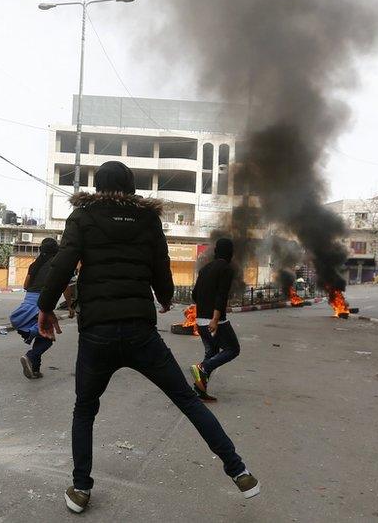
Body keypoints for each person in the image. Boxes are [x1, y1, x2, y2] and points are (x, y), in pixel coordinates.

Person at [36, 161, 259, 514]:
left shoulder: (82, 216)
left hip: (98, 334)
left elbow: (64, 263)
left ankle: (81, 489)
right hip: (140, 332)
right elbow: (161, 265)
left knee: (85, 409)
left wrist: (46, 307)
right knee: (187, 399)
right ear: (131, 187)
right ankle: (239, 470)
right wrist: (166, 295)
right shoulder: (147, 220)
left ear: (97, 186)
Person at [189, 238, 240, 401]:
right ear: (230, 252)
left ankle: (199, 390)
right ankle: (203, 368)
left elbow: (195, 295)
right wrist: (215, 319)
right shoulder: (226, 269)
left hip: (200, 320)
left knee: (211, 352)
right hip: (214, 321)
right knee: (233, 349)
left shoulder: (205, 269)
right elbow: (221, 296)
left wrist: (204, 311)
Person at [9, 237, 59, 379]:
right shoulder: (56, 265)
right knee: (48, 340)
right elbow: (65, 286)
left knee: (41, 336)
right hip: (42, 306)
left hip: (27, 306)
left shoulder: (34, 265)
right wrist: (70, 306)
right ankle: (30, 356)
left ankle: (35, 370)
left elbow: (25, 286)